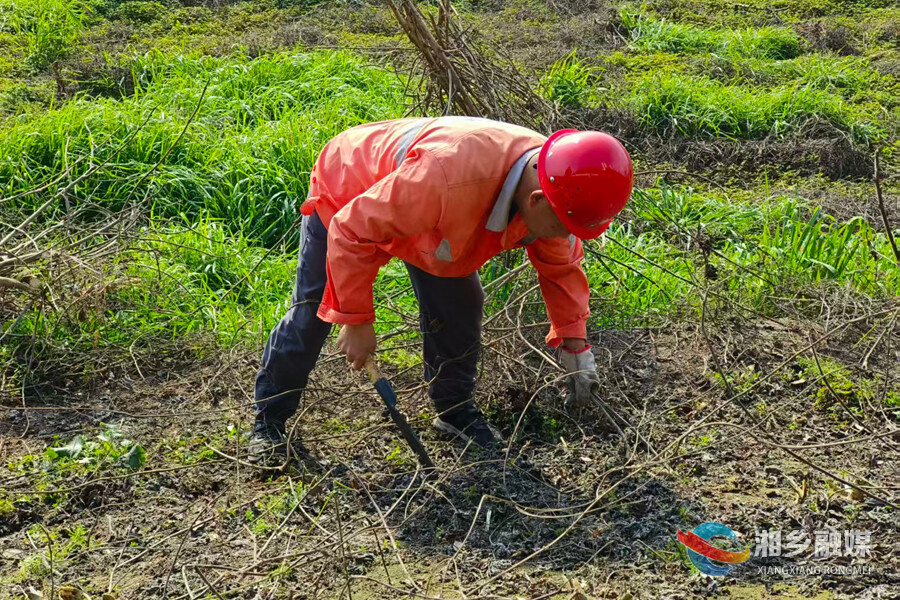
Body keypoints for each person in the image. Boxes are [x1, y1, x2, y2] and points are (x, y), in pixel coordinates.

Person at [250, 116, 633, 461]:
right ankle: (268, 422)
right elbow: (352, 229)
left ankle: (454, 412)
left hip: (434, 215)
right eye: (564, 228)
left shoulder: (553, 184)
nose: (565, 236)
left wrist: (575, 344)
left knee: (460, 303)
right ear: (536, 202)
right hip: (351, 189)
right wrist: (355, 320)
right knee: (314, 313)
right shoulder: (448, 177)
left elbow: (561, 268)